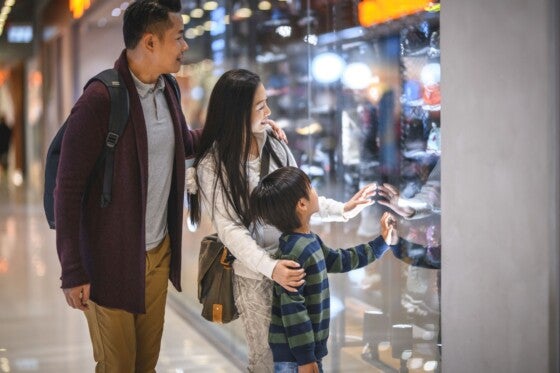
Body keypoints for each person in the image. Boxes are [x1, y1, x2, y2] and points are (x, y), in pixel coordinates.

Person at [187, 68, 378, 372]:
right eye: (260, 106)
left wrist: (342, 210)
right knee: (267, 362)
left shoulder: (275, 145)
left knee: (306, 357)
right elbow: (230, 230)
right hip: (256, 278)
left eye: (267, 103)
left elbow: (300, 196)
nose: (269, 111)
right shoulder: (213, 166)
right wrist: (271, 268)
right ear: (236, 113)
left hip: (296, 268)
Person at [54, 1, 200, 371]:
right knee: (118, 365)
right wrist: (73, 269)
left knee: (145, 365)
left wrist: (241, 126)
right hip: (108, 258)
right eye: (178, 37)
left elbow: (185, 142)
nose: (185, 46)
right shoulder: (100, 99)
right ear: (150, 42)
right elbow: (67, 189)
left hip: (157, 253)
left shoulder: (168, 89)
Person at [250, 166, 399, 373]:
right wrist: (305, 359)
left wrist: (380, 244)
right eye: (310, 187)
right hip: (295, 358)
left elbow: (341, 260)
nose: (315, 191)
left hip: (305, 353)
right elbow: (293, 311)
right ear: (302, 204)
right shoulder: (295, 252)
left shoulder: (309, 241)